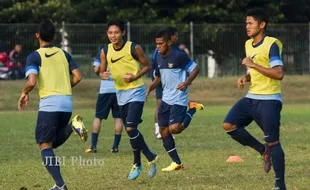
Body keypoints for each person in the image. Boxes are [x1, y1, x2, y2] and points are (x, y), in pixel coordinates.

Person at [17, 19, 88, 190]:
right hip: (66, 103)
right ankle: (73, 125)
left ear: (37, 35)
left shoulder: (34, 56)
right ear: (55, 37)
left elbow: (32, 81)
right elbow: (78, 76)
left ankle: (60, 186)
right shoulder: (64, 54)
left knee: (44, 144)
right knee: (52, 142)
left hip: (50, 105)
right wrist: (63, 88)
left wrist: (24, 93)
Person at [222, 7, 286, 190]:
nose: (247, 27)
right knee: (229, 125)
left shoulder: (272, 44)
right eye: (246, 23)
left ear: (262, 24)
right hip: (251, 98)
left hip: (269, 99)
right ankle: (262, 150)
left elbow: (278, 73)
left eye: (250, 23)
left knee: (274, 142)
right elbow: (254, 71)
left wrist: (253, 64)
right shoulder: (248, 44)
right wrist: (245, 77)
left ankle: (280, 185)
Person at [99, 19, 158, 180]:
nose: (113, 35)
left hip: (136, 91)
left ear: (123, 33)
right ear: (107, 34)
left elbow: (147, 66)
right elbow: (102, 70)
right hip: (120, 94)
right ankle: (140, 162)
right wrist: (102, 74)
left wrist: (135, 76)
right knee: (131, 131)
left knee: (131, 128)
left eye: (116, 32)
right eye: (110, 32)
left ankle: (148, 158)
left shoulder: (133, 47)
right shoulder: (105, 50)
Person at [147, 30, 204, 171]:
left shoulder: (179, 56)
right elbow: (158, 78)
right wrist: (149, 88)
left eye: (161, 43)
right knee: (163, 130)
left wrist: (187, 82)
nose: (158, 46)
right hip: (166, 98)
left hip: (179, 97)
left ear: (169, 43)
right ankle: (177, 163)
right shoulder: (158, 58)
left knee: (175, 129)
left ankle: (192, 109)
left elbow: (196, 68)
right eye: (156, 44)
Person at [84, 47, 123, 153]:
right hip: (120, 90)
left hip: (105, 90)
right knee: (118, 118)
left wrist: (101, 75)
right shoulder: (124, 50)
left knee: (98, 117)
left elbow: (96, 69)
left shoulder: (103, 50)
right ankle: (115, 147)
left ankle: (93, 146)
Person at [151, 26, 179, 139]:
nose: (177, 38)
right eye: (176, 36)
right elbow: (155, 65)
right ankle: (158, 130)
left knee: (169, 105)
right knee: (160, 105)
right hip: (161, 80)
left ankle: (166, 130)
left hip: (170, 81)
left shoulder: (173, 49)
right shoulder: (160, 50)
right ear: (171, 37)